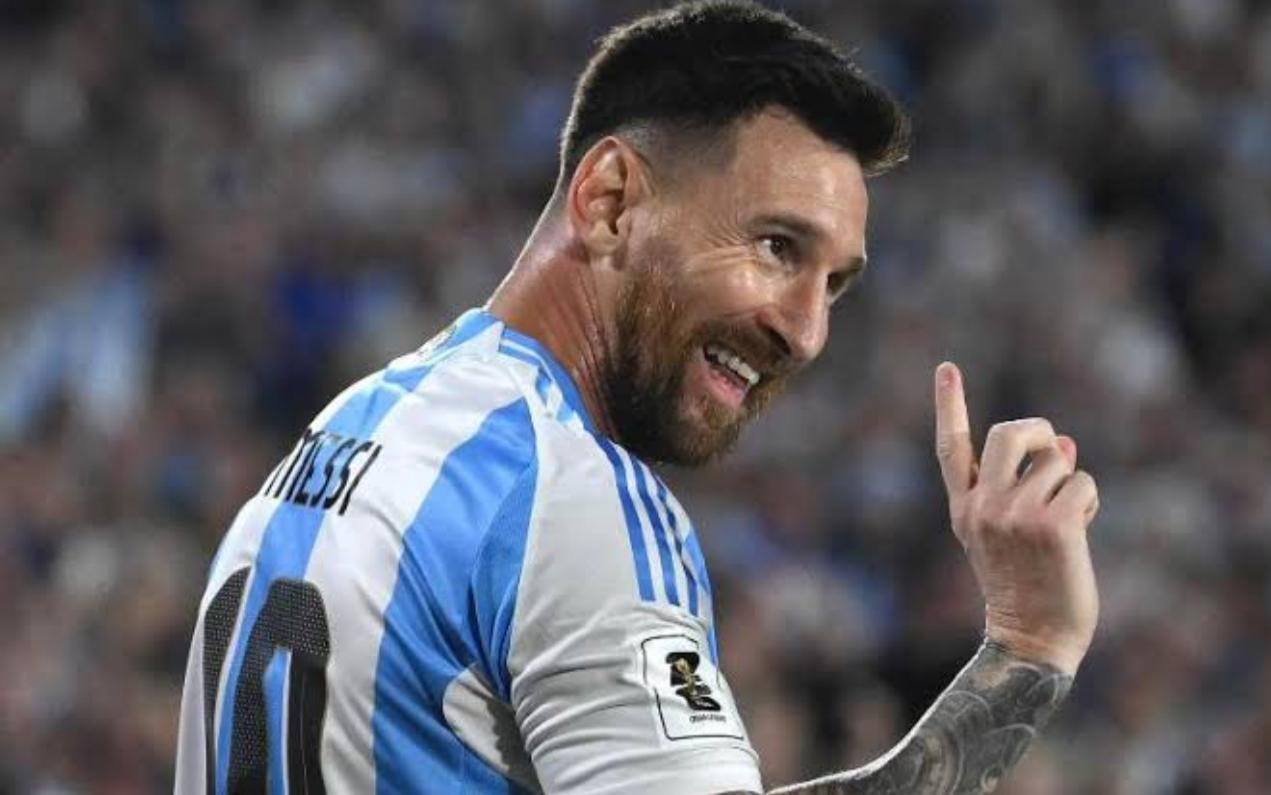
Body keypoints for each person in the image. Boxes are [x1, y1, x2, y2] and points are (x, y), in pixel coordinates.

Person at [174, 1, 1100, 793]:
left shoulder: (349, 428)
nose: (806, 330)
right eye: (775, 246)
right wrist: (1028, 648)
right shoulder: (571, 496)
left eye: (833, 284)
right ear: (610, 200)